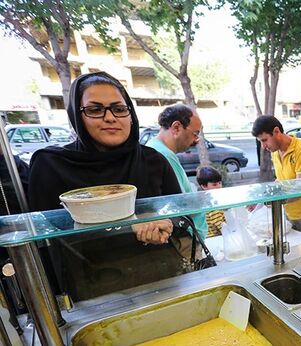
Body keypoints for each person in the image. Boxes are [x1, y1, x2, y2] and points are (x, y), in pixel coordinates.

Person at [28, 72, 186, 299]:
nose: (110, 117)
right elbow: (46, 240)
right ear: (76, 115)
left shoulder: (153, 160)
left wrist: (164, 224)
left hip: (162, 279)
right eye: (95, 110)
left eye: (119, 109)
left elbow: (181, 216)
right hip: (90, 289)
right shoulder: (51, 164)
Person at [252, 115, 301, 238]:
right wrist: (261, 198)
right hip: (289, 216)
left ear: (276, 131)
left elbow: (300, 188)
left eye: (264, 140)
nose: (263, 146)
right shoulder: (275, 153)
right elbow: (281, 181)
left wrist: (273, 201)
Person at [145, 103, 208, 239]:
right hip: (186, 236)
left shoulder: (157, 149)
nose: (196, 140)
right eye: (195, 133)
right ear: (176, 128)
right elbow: (182, 203)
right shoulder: (163, 155)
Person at [196, 166, 225, 238]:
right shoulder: (212, 203)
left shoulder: (203, 200)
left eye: (219, 183)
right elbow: (223, 228)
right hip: (215, 239)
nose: (219, 186)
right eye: (214, 184)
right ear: (204, 186)